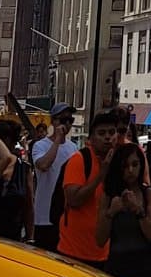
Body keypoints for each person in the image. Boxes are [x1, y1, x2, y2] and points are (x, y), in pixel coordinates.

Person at [96, 140, 151, 277]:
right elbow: (100, 239)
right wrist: (111, 212)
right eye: (125, 166)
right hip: (116, 265)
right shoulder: (109, 196)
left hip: (143, 267)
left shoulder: (150, 194)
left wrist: (138, 210)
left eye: (135, 165)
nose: (130, 170)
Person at [55, 110, 119, 265]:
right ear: (91, 138)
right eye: (101, 133)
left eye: (111, 132)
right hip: (73, 251)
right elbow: (73, 200)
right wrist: (100, 176)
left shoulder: (118, 162)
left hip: (104, 253)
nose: (107, 137)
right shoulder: (79, 159)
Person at [31, 103, 77, 249]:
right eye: (63, 120)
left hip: (65, 215)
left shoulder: (73, 148)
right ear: (53, 121)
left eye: (70, 120)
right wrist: (57, 140)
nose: (67, 124)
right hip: (44, 215)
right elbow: (44, 165)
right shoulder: (40, 146)